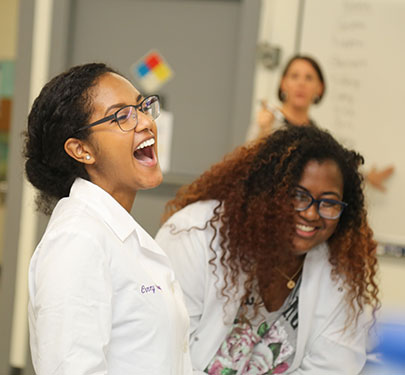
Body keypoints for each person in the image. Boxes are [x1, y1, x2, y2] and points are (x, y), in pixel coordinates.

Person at [155, 125, 380, 374]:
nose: (311, 213)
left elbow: (334, 367)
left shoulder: (340, 273)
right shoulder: (195, 235)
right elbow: (164, 353)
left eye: (328, 202)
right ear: (268, 193)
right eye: (298, 195)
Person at [24, 63, 192, 375]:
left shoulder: (113, 232)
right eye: (122, 116)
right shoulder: (77, 241)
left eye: (142, 107)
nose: (144, 122)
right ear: (81, 149)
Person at [249, 54, 394, 192]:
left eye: (309, 78)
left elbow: (334, 168)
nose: (301, 83)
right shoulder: (267, 121)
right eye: (294, 76)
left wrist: (367, 177)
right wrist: (263, 131)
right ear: (283, 83)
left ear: (320, 88)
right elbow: (248, 167)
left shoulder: (316, 133)